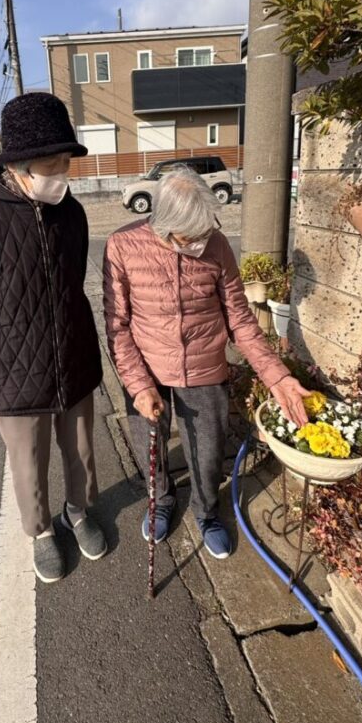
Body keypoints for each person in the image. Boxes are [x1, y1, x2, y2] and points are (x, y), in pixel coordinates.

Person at [0, 92, 107, 584]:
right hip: (11, 363)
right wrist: (1, 332)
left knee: (81, 448)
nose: (62, 174)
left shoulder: (70, 212)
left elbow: (74, 277)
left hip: (73, 351)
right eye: (51, 165)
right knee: (28, 459)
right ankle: (41, 531)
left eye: (66, 163)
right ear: (17, 165)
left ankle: (76, 512)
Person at [103, 166, 308, 560]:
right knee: (150, 446)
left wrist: (277, 376)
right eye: (189, 237)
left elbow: (240, 319)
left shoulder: (216, 245)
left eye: (205, 232)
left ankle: (207, 511)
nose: (200, 242)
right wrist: (139, 386)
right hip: (146, 368)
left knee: (209, 452)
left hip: (205, 366)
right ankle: (161, 502)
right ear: (163, 226)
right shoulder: (122, 245)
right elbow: (117, 325)